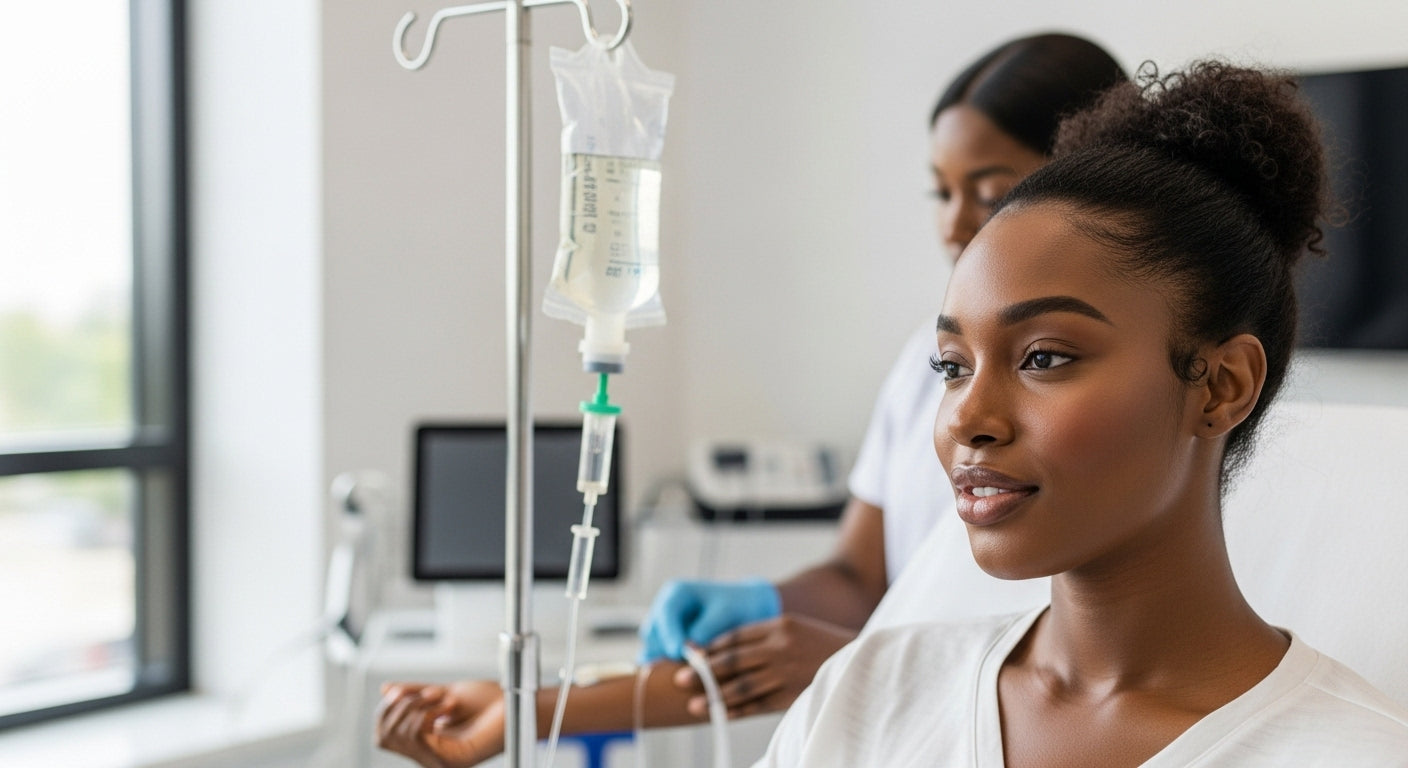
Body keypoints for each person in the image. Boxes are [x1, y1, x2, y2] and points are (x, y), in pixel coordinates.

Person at [375, 32, 1126, 766]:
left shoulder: (1110, 437)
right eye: (941, 192)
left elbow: (1025, 668)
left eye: (990, 193)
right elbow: (864, 584)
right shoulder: (921, 366)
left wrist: (855, 665)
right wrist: (530, 710)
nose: (955, 223)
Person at [756, 60, 1408, 766]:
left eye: (1043, 357)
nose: (967, 419)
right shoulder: (863, 696)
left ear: (1222, 386)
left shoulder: (1351, 755)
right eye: (953, 366)